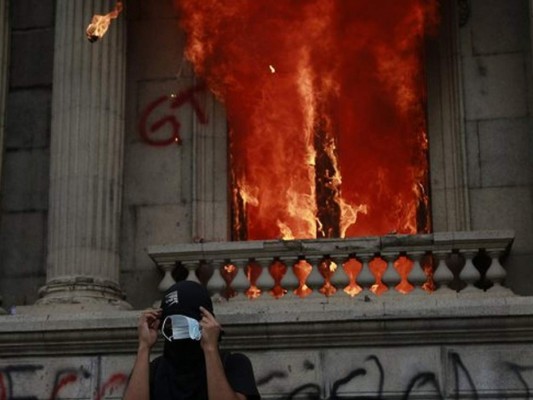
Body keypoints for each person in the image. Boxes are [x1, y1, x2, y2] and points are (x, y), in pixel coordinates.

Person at [123, 280, 261, 400]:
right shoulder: (154, 370)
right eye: (171, 323)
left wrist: (210, 348)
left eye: (185, 322)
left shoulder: (233, 364)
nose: (178, 330)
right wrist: (144, 346)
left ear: (204, 321)